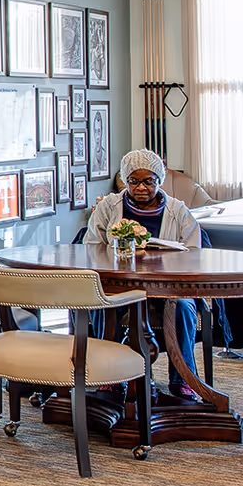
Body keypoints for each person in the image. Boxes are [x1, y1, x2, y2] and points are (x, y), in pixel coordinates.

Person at [89, 149, 205, 401]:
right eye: (134, 181)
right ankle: (109, 376)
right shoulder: (109, 206)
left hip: (169, 287)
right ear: (125, 181)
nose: (141, 187)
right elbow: (91, 247)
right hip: (119, 284)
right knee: (101, 305)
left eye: (148, 181)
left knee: (184, 308)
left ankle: (183, 378)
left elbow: (195, 253)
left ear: (159, 181)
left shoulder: (178, 211)